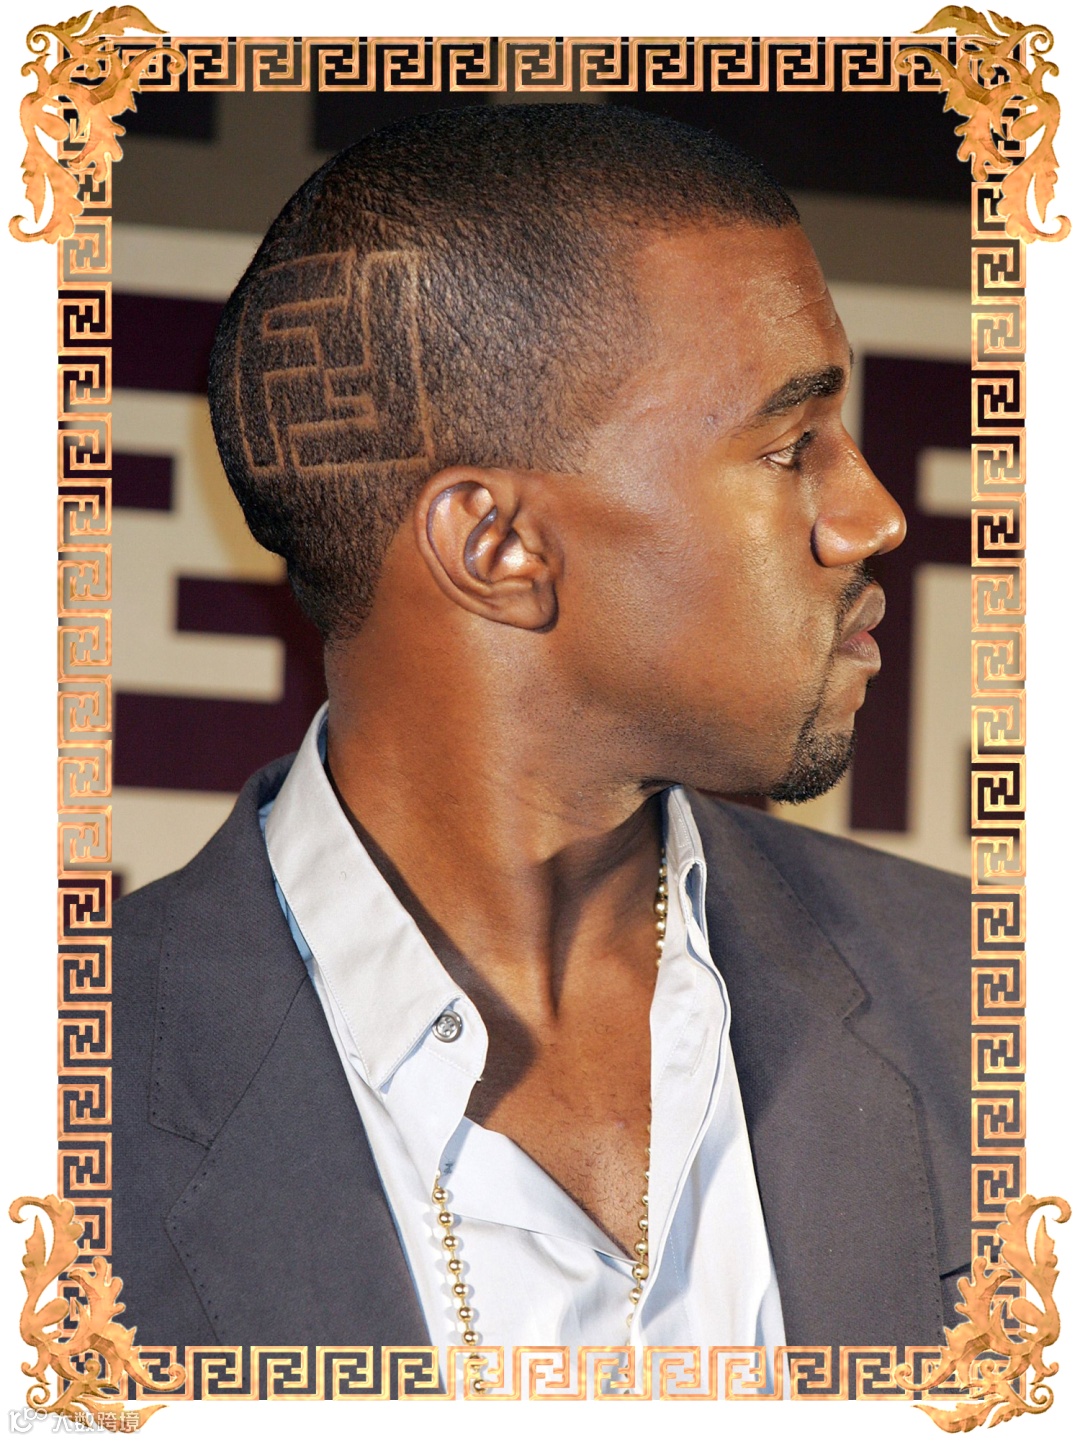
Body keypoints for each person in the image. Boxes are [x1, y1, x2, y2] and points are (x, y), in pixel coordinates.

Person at [111, 103, 970, 1372]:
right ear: (497, 547)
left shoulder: (998, 1011)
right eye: (792, 447)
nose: (872, 517)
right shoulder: (65, 1104)